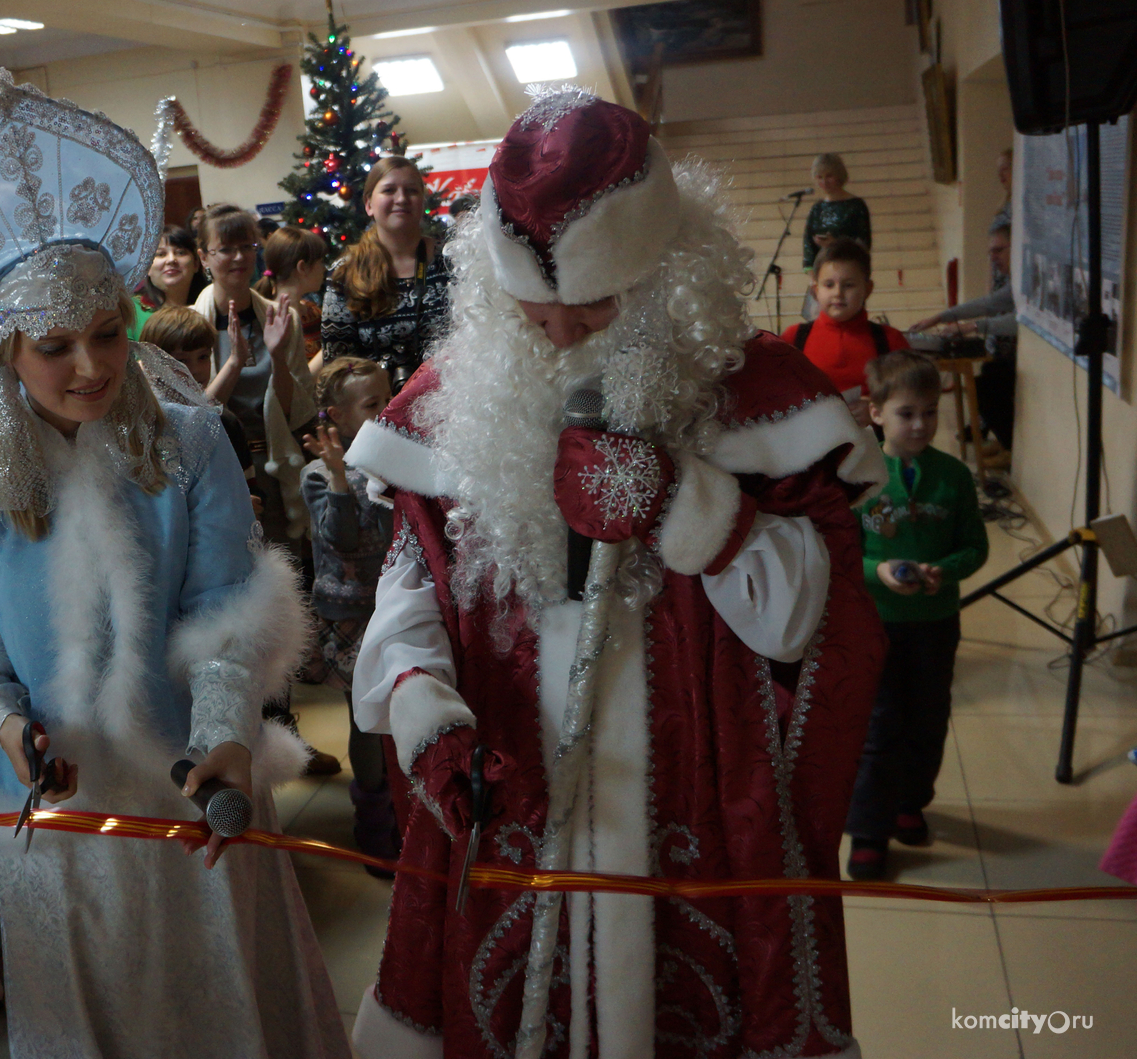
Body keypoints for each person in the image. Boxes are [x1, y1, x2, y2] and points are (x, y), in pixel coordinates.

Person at [344, 89, 887, 1057]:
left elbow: (808, 626)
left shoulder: (763, 402)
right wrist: (421, 708)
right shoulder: (450, 400)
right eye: (531, 309)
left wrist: (683, 500)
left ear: (667, 276)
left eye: (592, 306)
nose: (556, 335)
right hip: (505, 784)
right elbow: (408, 585)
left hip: (693, 802)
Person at [0, 70, 347, 1058]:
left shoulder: (191, 441)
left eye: (105, 335)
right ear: (4, 349)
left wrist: (221, 734)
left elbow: (228, 603)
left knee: (225, 1002)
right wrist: (9, 724)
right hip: (62, 806)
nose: (89, 365)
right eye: (55, 346)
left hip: (196, 783)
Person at [846, 353, 988, 881]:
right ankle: (867, 830)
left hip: (935, 622)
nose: (921, 424)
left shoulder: (953, 476)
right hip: (876, 623)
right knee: (880, 725)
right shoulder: (859, 476)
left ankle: (911, 802)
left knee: (928, 719)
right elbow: (840, 555)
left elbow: (976, 546)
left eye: (930, 412)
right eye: (907, 413)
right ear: (876, 412)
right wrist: (878, 571)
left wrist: (945, 571)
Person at [299, 358, 398, 874]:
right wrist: (340, 476)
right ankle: (375, 822)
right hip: (349, 614)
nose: (387, 409)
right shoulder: (318, 473)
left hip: (393, 605)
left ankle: (401, 809)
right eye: (372, 404)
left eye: (388, 396)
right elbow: (339, 538)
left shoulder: (392, 461)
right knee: (367, 720)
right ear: (337, 415)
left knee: (397, 713)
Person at [192, 203, 316, 543]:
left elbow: (297, 412)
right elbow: (191, 415)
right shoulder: (190, 325)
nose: (238, 257)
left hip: (274, 463)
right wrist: (234, 362)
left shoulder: (280, 317)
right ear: (204, 257)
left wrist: (276, 358)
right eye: (226, 249)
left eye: (247, 246)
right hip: (220, 467)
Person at [320, 157, 451, 390]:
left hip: (449, 403)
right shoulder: (344, 273)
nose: (401, 199)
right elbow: (337, 367)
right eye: (389, 190)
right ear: (368, 204)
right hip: (376, 411)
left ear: (422, 202)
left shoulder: (451, 261)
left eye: (411, 190)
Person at [911, 221, 1017, 462]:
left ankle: (1010, 448)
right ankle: (1005, 443)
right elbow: (986, 304)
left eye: (999, 250)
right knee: (988, 376)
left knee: (986, 384)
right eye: (991, 251)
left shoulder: (1028, 280)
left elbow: (1020, 320)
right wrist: (938, 317)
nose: (993, 257)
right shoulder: (1015, 283)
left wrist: (972, 326)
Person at [781, 238, 909, 426]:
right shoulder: (792, 339)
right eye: (829, 284)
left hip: (876, 447)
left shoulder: (891, 341)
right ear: (815, 290)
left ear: (868, 289)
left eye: (849, 285)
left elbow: (912, 403)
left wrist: (879, 411)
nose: (838, 293)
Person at [138, 305, 259, 504]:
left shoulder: (224, 421)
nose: (195, 370)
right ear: (152, 363)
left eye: (203, 357)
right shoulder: (142, 423)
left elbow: (249, 484)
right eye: (181, 360)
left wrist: (250, 503)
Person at [802, 153, 872, 321]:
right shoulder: (817, 208)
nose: (824, 182)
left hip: (850, 272)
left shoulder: (856, 206)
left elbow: (864, 243)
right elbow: (807, 245)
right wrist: (814, 278)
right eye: (819, 177)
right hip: (822, 273)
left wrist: (836, 244)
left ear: (839, 176)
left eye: (829, 176)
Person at [256, 226, 329, 371]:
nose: (324, 269)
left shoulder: (312, 311)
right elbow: (295, 381)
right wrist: (330, 347)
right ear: (302, 267)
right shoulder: (268, 318)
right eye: (320, 262)